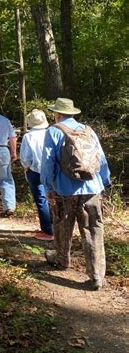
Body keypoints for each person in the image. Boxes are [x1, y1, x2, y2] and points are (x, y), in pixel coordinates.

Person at [41, 98, 111, 290]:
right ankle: (96, 275)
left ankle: (62, 260)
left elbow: (48, 162)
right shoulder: (88, 131)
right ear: (72, 113)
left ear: (57, 114)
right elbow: (101, 159)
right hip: (92, 188)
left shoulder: (54, 131)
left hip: (65, 190)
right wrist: (103, 182)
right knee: (93, 230)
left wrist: (47, 187)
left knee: (63, 225)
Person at [20, 109, 53, 239]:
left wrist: (26, 167)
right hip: (51, 170)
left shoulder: (29, 136)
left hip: (35, 171)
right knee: (53, 199)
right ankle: (55, 228)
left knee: (41, 200)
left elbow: (25, 157)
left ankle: (47, 231)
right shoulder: (51, 133)